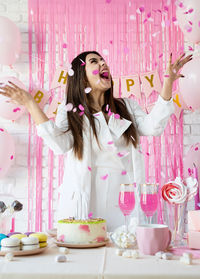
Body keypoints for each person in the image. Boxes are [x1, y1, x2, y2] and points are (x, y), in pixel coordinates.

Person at [0, 51, 192, 231]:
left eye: (103, 61)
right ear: (82, 78)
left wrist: (168, 83)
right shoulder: (69, 111)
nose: (103, 63)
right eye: (94, 61)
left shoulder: (127, 106)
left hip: (124, 200)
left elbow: (153, 126)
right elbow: (59, 144)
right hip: (87, 199)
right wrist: (30, 103)